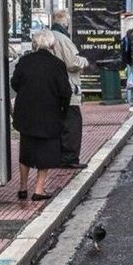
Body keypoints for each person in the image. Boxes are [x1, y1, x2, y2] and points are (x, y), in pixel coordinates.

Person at [10, 29, 71, 201]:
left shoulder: (24, 61)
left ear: (35, 44)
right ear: (52, 45)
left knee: (26, 150)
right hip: (49, 114)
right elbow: (65, 92)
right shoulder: (57, 64)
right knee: (46, 151)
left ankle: (23, 188)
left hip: (26, 114)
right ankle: (39, 189)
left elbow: (14, 83)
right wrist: (62, 112)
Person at [49, 9, 89, 169]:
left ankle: (57, 155)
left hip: (52, 86)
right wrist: (84, 61)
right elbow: (72, 62)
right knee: (72, 122)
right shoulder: (63, 39)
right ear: (65, 22)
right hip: (68, 85)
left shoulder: (49, 36)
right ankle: (70, 158)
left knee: (58, 121)